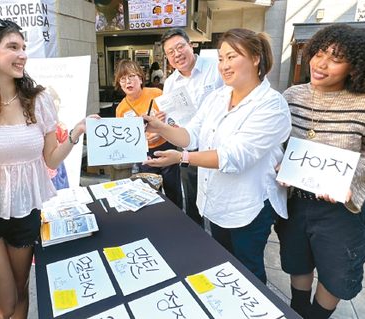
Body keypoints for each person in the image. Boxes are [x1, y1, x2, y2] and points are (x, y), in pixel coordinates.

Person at [0, 18, 98, 319]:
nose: (22, 54)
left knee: (21, 290)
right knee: (3, 301)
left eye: (23, 47)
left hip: (27, 210)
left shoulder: (39, 100)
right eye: (13, 47)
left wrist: (75, 133)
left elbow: (52, 160)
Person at [143, 28, 291, 284]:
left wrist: (181, 158)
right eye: (221, 58)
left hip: (249, 204)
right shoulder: (218, 96)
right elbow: (193, 135)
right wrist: (160, 128)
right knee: (226, 265)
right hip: (219, 200)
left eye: (232, 57)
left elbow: (234, 157)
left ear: (256, 58)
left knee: (249, 271)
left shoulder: (271, 104)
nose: (224, 65)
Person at [276, 24, 365, 319]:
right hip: (296, 200)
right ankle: (298, 309)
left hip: (341, 208)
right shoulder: (292, 96)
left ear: (356, 66)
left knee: (338, 275)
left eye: (336, 59)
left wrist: (345, 178)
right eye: (319, 53)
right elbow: (277, 144)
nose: (320, 63)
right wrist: (279, 162)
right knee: (296, 261)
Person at [161, 28, 224, 227]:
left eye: (180, 47)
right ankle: (197, 236)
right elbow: (171, 120)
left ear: (190, 45)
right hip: (189, 147)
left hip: (218, 146)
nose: (176, 54)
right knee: (192, 194)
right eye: (170, 52)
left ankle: (220, 237)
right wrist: (168, 123)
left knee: (219, 196)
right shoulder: (170, 84)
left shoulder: (217, 68)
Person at [114, 59, 182, 209]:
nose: (128, 82)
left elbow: (175, 118)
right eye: (123, 79)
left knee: (173, 190)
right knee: (150, 193)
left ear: (140, 77)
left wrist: (163, 129)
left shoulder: (156, 93)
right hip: (145, 155)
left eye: (131, 76)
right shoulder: (121, 109)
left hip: (166, 147)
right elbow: (127, 140)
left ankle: (177, 220)